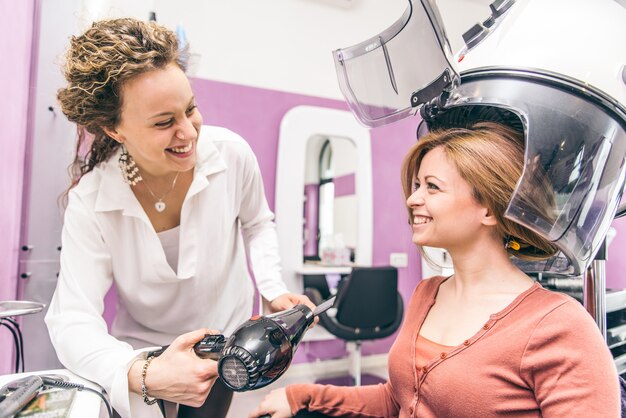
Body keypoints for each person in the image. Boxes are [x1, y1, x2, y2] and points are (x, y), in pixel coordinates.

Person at [249, 122, 621, 418]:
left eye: (432, 187)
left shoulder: (558, 328)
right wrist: (301, 396)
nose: (413, 199)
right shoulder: (427, 295)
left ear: (489, 210)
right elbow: (400, 399)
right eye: (415, 185)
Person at [44, 17, 314, 418]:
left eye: (190, 109)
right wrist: (142, 372)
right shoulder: (93, 201)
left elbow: (258, 224)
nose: (188, 132)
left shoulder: (232, 154)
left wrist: (273, 287)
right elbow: (72, 318)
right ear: (113, 129)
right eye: (164, 122)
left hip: (221, 344)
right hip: (138, 353)